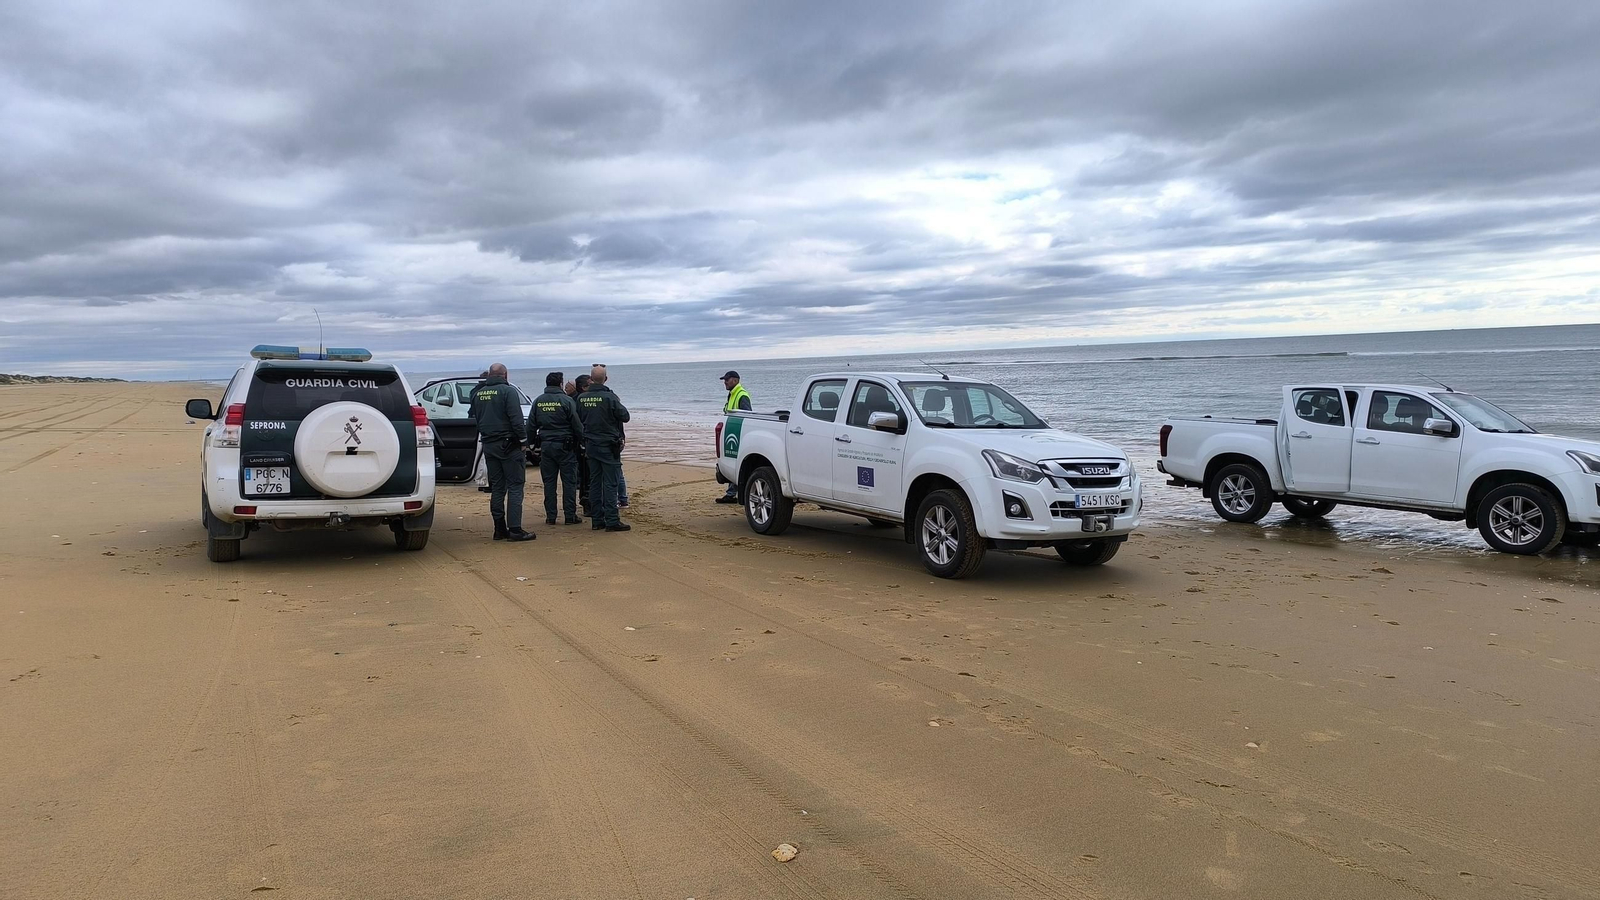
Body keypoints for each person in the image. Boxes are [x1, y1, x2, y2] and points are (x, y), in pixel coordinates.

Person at [473, 363, 535, 541]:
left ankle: (499, 528)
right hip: (509, 445)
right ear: (505, 375)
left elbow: (476, 417)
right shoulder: (508, 392)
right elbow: (516, 419)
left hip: (489, 444)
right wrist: (524, 440)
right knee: (515, 486)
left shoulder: (478, 393)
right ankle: (515, 529)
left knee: (498, 488)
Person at [576, 364, 631, 532]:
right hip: (608, 445)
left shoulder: (581, 398)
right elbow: (625, 416)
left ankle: (597, 520)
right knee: (610, 483)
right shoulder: (610, 397)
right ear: (605, 379)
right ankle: (612, 520)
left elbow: (578, 418)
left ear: (591, 379)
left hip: (591, 445)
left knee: (595, 482)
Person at [529, 371, 584, 525]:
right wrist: (583, 442)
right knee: (569, 482)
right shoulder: (566, 400)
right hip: (565, 446)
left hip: (546, 446)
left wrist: (531, 444)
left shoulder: (538, 401)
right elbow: (576, 424)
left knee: (549, 483)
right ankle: (569, 516)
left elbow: (531, 425)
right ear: (560, 383)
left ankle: (551, 516)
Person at [715, 370, 752, 503]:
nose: (725, 382)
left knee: (736, 464)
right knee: (732, 463)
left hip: (738, 434)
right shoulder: (732, 394)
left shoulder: (742, 395)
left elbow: (748, 416)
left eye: (727, 379)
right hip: (732, 433)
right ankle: (731, 494)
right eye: (724, 379)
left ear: (735, 380)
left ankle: (734, 494)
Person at [568, 376, 593, 515]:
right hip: (582, 441)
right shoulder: (577, 401)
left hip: (581, 441)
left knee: (584, 475)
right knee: (586, 475)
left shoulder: (574, 400)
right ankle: (587, 503)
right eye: (590, 384)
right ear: (583, 387)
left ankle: (586, 502)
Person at [468, 370, 492, 493]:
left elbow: (472, 409)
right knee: (487, 457)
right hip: (488, 426)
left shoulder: (474, 391)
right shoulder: (491, 392)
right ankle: (488, 482)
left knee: (479, 456)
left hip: (477, 424)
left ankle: (481, 482)